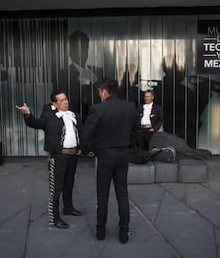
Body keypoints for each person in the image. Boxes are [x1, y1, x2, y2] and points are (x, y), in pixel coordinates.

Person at [81, 78, 141, 244]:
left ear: (104, 91)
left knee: (103, 194)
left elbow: (85, 136)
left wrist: (93, 150)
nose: (99, 94)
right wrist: (129, 146)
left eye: (99, 92)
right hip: (123, 154)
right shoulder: (130, 107)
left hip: (105, 155)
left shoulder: (97, 109)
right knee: (122, 193)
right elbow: (137, 132)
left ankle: (101, 232)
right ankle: (124, 233)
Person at [16, 90, 83, 229]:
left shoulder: (74, 115)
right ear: (54, 103)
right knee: (56, 188)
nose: (65, 102)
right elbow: (36, 123)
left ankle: (68, 208)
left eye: (66, 99)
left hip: (73, 156)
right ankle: (55, 218)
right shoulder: (49, 116)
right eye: (61, 100)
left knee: (69, 184)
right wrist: (27, 114)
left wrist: (80, 148)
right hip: (58, 156)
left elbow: (80, 132)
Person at [53, 30, 103, 121]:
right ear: (71, 52)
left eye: (85, 49)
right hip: (74, 120)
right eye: (79, 49)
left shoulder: (98, 72)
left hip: (97, 120)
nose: (84, 53)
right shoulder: (62, 75)